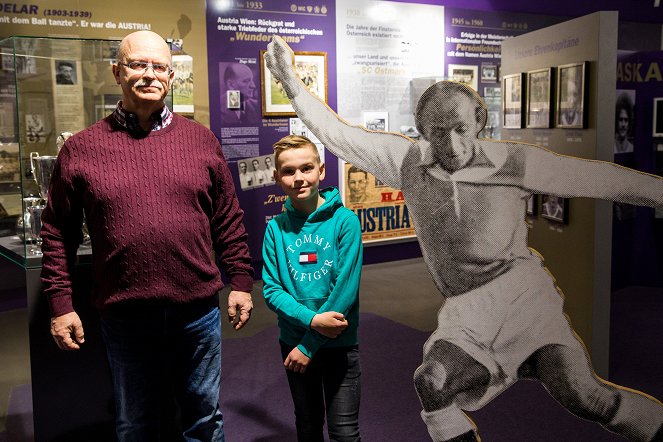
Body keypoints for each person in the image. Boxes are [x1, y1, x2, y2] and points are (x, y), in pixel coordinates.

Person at [266, 36, 663, 442]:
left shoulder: (513, 162)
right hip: (467, 310)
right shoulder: (406, 163)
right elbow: (337, 135)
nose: (451, 145)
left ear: (478, 120)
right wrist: (290, 82)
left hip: (522, 295)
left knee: (585, 396)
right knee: (433, 382)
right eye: (438, 133)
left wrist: (660, 192)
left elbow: (596, 178)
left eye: (460, 129)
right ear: (422, 131)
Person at [41, 30, 254, 441]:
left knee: (204, 418)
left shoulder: (201, 140)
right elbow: (57, 233)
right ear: (117, 72)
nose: (150, 74)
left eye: (160, 67)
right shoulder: (81, 149)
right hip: (125, 316)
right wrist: (60, 304)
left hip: (197, 313)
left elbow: (227, 219)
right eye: (139, 64)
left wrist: (241, 281)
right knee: (135, 424)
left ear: (171, 77)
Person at [262, 134, 363, 441]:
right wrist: (312, 322)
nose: (299, 178)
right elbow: (271, 290)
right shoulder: (274, 229)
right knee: (307, 426)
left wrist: (310, 344)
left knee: (344, 433)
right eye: (289, 171)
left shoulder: (345, 222)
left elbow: (344, 290)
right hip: (293, 343)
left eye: (306, 168)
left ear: (321, 171)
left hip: (338, 343)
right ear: (277, 177)